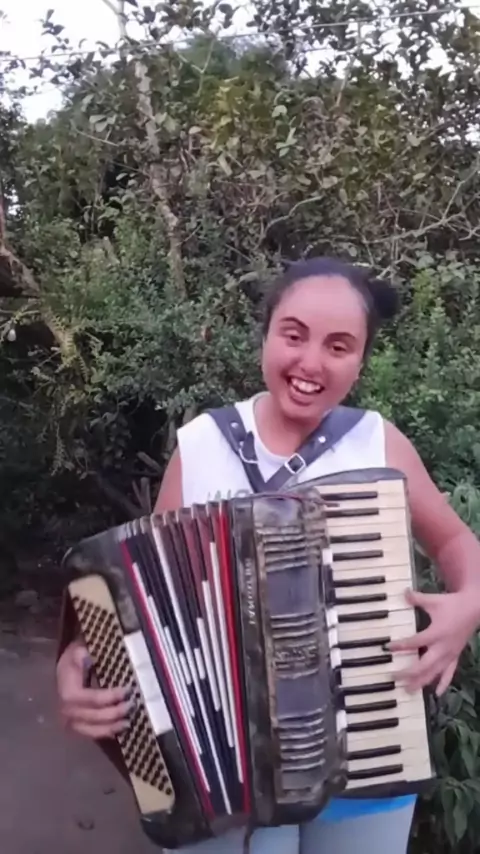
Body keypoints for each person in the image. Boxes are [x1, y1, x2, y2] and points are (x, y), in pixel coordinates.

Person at [56, 257, 480, 854]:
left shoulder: (379, 443)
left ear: (361, 360)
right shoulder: (201, 446)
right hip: (224, 778)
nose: (311, 362)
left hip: (368, 754)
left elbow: (458, 543)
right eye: (294, 335)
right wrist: (78, 659)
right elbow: (144, 604)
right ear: (265, 336)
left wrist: (469, 604)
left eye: (339, 346)